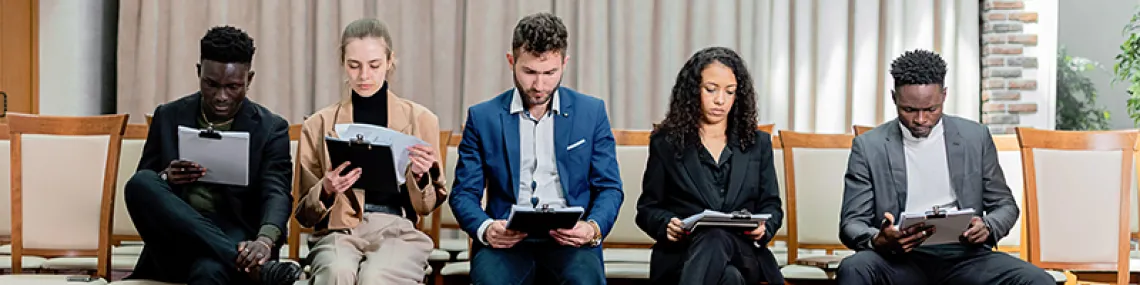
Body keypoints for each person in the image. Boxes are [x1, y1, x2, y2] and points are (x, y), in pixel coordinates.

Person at [836, 49, 1054, 285]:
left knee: (1036, 280)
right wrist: (878, 239)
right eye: (908, 110)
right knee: (854, 268)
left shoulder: (975, 137)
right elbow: (851, 223)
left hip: (965, 257)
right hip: (899, 259)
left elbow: (1005, 205)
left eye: (931, 109)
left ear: (944, 96)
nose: (920, 119)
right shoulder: (869, 146)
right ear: (894, 98)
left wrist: (988, 226)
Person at [449, 12, 623, 285]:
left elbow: (610, 187)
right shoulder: (482, 117)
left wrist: (592, 228)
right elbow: (463, 194)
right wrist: (485, 228)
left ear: (564, 63)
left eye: (550, 73)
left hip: (571, 242)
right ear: (511, 61)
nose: (539, 85)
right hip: (506, 242)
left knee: (585, 280)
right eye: (529, 72)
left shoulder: (591, 113)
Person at [123, 26, 301, 285]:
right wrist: (166, 177)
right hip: (174, 240)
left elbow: (276, 191)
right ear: (198, 72)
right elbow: (146, 192)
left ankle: (236, 259)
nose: (221, 96)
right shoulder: (168, 115)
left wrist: (264, 240)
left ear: (249, 80)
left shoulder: (271, 128)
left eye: (233, 87)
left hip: (236, 236)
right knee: (141, 182)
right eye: (211, 84)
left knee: (209, 272)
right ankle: (257, 272)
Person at [294, 18, 447, 285]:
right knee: (337, 272)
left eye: (374, 65)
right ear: (343, 62)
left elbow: (427, 206)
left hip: (397, 228)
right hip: (338, 231)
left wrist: (422, 177)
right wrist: (327, 189)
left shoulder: (421, 119)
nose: (364, 75)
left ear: (390, 61)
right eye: (354, 65)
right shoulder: (318, 124)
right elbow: (304, 214)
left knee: (377, 278)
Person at [635, 47, 785, 285]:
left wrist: (764, 228)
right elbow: (648, 208)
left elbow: (772, 205)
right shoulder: (666, 143)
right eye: (711, 90)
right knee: (730, 279)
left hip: (743, 252)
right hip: (684, 254)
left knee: (716, 238)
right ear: (693, 91)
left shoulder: (758, 143)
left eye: (730, 92)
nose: (720, 100)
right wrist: (667, 224)